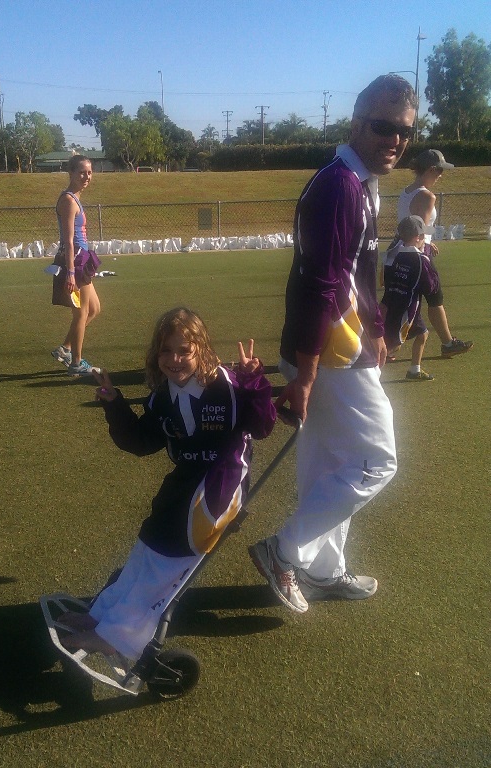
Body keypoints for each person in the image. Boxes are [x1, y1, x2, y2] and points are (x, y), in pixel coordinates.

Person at [248, 74, 414, 613]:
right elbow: (321, 281)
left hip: (336, 344)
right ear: (356, 124)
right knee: (377, 461)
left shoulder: (356, 183)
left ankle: (325, 569)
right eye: (384, 127)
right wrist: (306, 370)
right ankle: (286, 550)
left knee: (327, 466)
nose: (395, 139)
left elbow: (356, 272)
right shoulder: (340, 187)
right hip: (328, 354)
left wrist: (377, 325)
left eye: (404, 131)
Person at [57, 307, 277, 665]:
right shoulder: (162, 397)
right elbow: (142, 442)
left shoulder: (226, 384)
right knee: (149, 541)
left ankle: (117, 637)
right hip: (186, 479)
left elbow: (263, 426)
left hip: (222, 482)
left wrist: (255, 382)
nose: (174, 360)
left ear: (201, 350)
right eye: (165, 351)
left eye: (184, 351)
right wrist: (115, 406)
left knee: (171, 554)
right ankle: (103, 614)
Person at [396, 148, 473, 359]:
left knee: (403, 298)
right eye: (439, 171)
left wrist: (428, 239)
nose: (441, 176)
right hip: (419, 253)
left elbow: (408, 225)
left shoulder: (407, 191)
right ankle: (448, 343)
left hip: (403, 249)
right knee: (434, 297)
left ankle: (391, 344)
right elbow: (419, 228)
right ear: (430, 169)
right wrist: (428, 240)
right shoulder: (426, 195)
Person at [50, 154, 101, 376]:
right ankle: (76, 364)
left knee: (94, 309)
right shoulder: (69, 201)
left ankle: (66, 349)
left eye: (89, 172)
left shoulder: (75, 198)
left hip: (82, 260)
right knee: (81, 314)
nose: (86, 176)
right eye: (81, 172)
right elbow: (68, 241)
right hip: (75, 262)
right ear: (70, 173)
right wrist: (71, 273)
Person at [381, 215, 440, 381]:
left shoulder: (393, 255)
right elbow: (429, 287)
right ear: (418, 237)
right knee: (392, 345)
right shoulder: (421, 260)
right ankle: (367, 375)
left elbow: (385, 280)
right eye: (423, 236)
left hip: (391, 303)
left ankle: (414, 370)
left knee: (422, 334)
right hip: (406, 309)